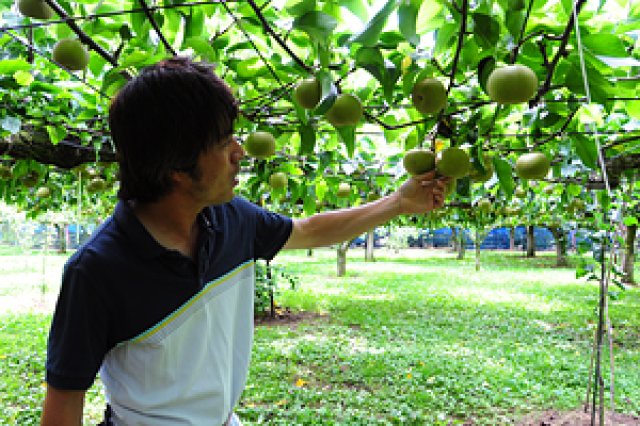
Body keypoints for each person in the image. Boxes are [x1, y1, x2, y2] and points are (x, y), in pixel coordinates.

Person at [40, 56, 447, 426]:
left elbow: (308, 230)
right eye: (223, 143)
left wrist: (398, 202)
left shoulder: (230, 218)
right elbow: (63, 403)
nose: (240, 152)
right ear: (177, 170)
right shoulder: (98, 270)